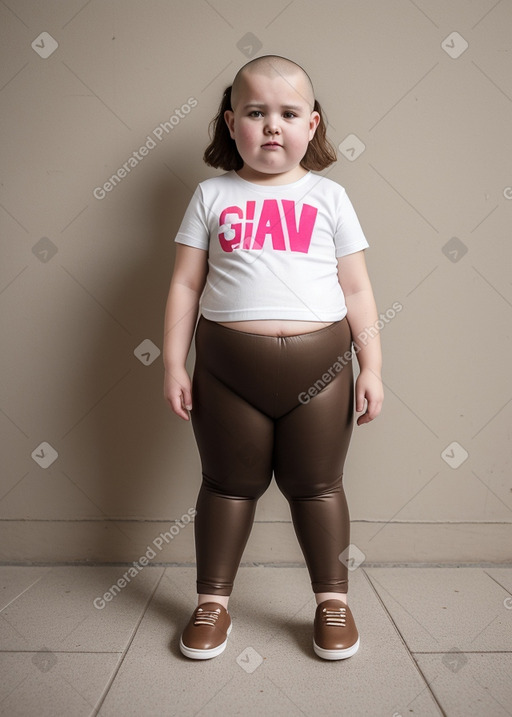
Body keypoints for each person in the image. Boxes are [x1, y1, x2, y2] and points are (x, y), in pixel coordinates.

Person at [163, 55, 383, 661]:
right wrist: (173, 364)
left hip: (324, 371)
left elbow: (358, 290)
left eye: (287, 114)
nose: (271, 126)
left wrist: (375, 368)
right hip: (228, 372)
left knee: (317, 487)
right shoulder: (211, 195)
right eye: (255, 112)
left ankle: (332, 602)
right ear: (230, 122)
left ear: (312, 125)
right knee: (228, 486)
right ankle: (212, 602)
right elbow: (184, 285)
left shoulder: (330, 197)